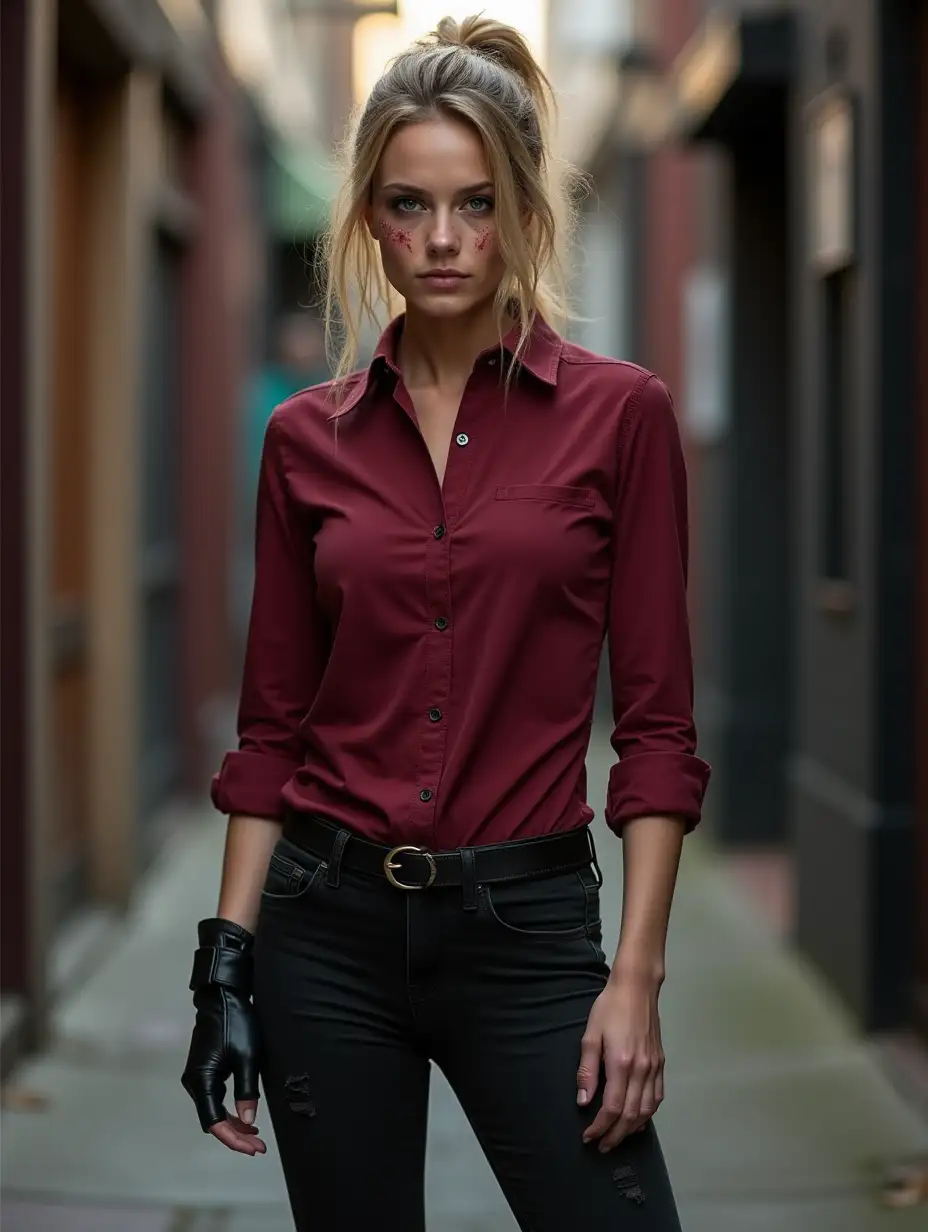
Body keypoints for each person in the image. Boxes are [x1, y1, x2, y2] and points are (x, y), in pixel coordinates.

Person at [181, 15, 711, 1231]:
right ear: (368, 214)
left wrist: (634, 978)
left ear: (522, 209)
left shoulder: (620, 420)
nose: (441, 240)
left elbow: (659, 731)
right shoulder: (303, 440)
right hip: (327, 933)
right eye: (409, 205)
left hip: (527, 934)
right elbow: (271, 731)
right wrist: (225, 968)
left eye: (475, 204)